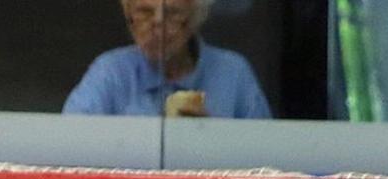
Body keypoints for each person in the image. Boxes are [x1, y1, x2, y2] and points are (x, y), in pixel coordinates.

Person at [64, 0, 271, 119]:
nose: (157, 27)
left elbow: (267, 163)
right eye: (144, 13)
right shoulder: (110, 71)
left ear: (194, 19)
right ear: (129, 17)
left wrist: (212, 139)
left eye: (172, 14)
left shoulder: (233, 73)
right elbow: (69, 149)